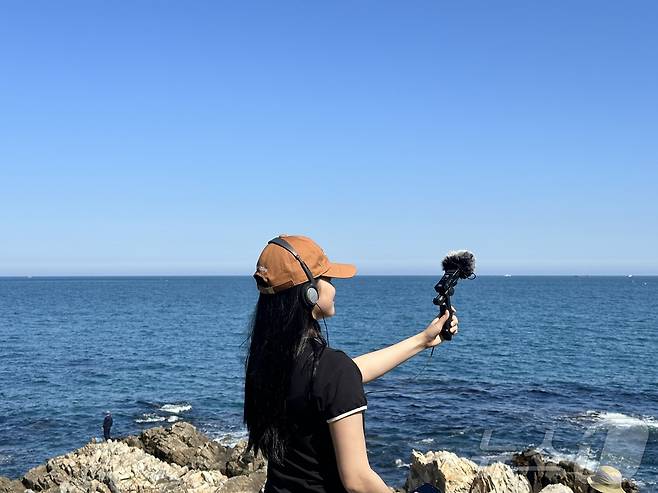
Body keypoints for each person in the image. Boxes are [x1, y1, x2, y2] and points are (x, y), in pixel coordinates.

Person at [244, 235, 459, 493]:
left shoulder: (267, 362)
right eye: (329, 280)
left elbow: (346, 374)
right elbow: (358, 481)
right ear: (309, 292)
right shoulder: (330, 369)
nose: (334, 288)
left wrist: (423, 340)